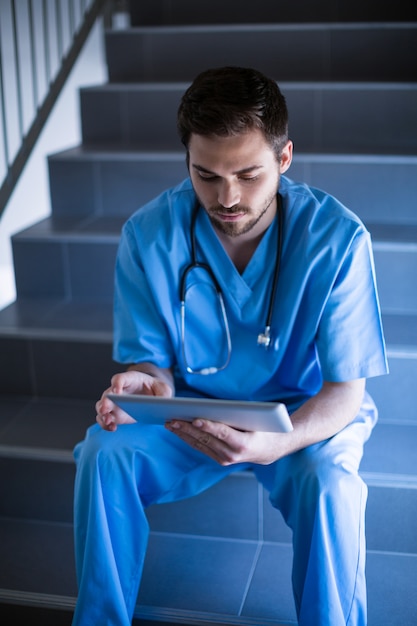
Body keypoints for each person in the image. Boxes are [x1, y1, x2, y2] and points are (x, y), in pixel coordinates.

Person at [72, 66, 388, 626]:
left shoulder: (337, 240)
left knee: (333, 488)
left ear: (284, 159)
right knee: (104, 451)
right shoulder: (149, 235)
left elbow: (345, 393)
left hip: (301, 413)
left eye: (249, 174)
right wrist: (150, 384)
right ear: (187, 164)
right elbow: (154, 363)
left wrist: (273, 446)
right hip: (194, 410)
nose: (228, 198)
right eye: (207, 176)